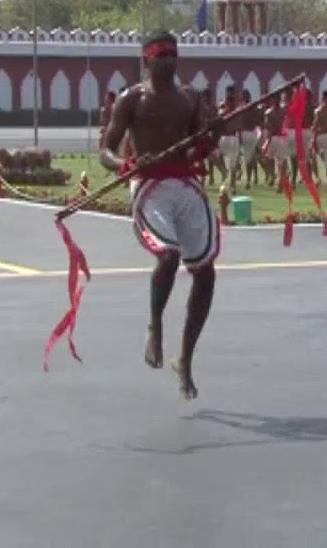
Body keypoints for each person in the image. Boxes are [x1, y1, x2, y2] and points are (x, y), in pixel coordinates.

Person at [99, 31, 225, 401]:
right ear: (147, 59)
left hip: (184, 185)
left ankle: (185, 358)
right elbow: (105, 150)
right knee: (168, 255)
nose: (170, 60)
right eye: (162, 54)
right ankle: (155, 325)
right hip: (149, 186)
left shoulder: (189, 98)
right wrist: (125, 163)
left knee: (205, 271)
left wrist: (214, 134)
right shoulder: (131, 100)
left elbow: (199, 145)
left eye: (174, 54)